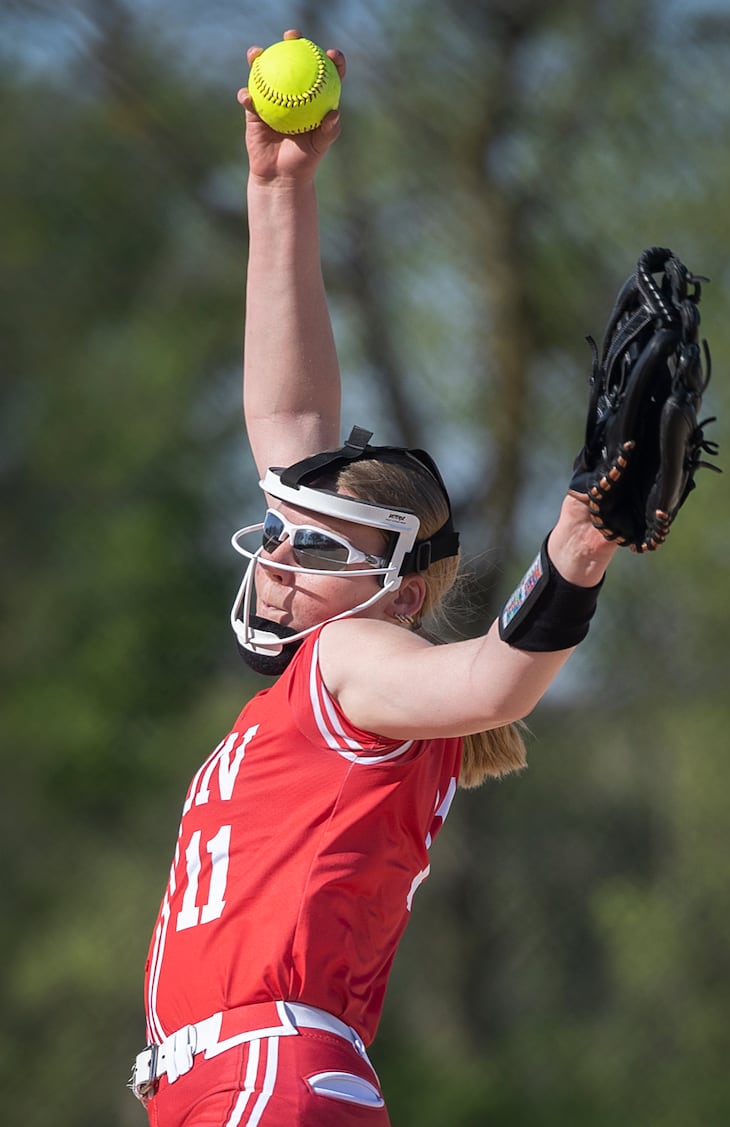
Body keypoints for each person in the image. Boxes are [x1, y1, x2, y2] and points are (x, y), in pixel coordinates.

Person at [130, 30, 618, 1127]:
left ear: (394, 589)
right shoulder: (329, 661)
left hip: (266, 1073)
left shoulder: (351, 657)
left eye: (310, 545)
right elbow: (288, 431)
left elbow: (494, 680)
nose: (276, 551)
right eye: (276, 529)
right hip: (249, 1077)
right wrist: (277, 190)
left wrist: (575, 553)